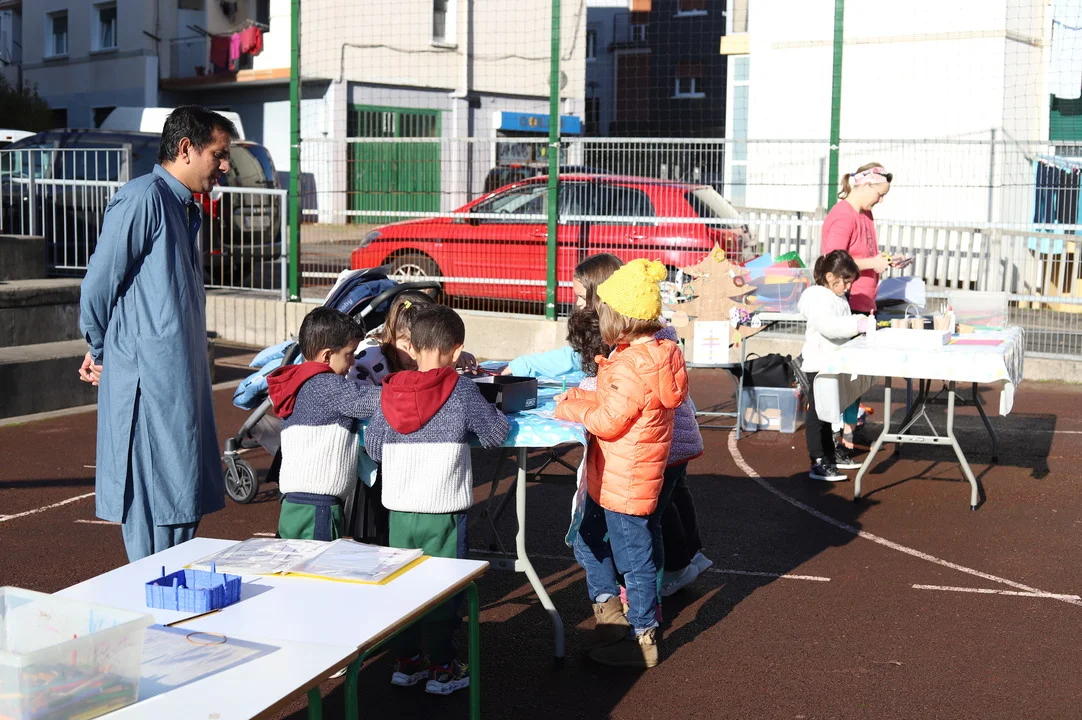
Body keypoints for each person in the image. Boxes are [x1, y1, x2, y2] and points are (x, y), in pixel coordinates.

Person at [78, 106, 238, 562]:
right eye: (219, 154)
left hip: (177, 381)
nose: (225, 166)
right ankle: (152, 599)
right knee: (156, 515)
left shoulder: (183, 207)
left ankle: (165, 594)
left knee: (183, 499)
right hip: (148, 386)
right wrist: (100, 350)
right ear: (186, 149)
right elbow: (99, 284)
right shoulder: (144, 198)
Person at [364, 304, 510, 696]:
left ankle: (407, 660)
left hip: (399, 508)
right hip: (443, 508)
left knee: (403, 585)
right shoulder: (460, 390)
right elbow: (495, 434)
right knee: (444, 590)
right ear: (456, 349)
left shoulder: (391, 389)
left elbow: (373, 446)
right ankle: (443, 665)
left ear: (411, 347)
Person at [555, 259, 689, 669]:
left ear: (622, 319)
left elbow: (609, 421)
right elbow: (617, 402)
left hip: (625, 480)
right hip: (622, 475)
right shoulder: (651, 355)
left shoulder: (631, 363)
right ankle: (615, 619)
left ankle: (641, 636)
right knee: (597, 539)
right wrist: (579, 398)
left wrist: (570, 408)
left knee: (633, 560)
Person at [347, 291, 477, 544]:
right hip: (376, 462)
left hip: (408, 455)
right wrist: (402, 395)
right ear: (393, 335)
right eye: (408, 346)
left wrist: (450, 357)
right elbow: (355, 399)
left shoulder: (415, 349)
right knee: (378, 542)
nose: (415, 354)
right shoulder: (368, 355)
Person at [266, 308, 381, 541]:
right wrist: (410, 388)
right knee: (318, 561)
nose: (353, 362)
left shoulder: (299, 382)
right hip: (319, 505)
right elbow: (367, 401)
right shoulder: (325, 385)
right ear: (327, 356)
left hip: (296, 502)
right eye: (349, 354)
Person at [820, 163, 906, 449]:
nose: (880, 200)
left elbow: (861, 255)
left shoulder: (865, 214)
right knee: (846, 375)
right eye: (879, 194)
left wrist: (886, 260)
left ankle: (848, 431)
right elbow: (832, 261)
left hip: (863, 301)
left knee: (855, 376)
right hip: (848, 302)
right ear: (866, 185)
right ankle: (840, 438)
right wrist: (872, 263)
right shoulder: (843, 216)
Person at [797, 250, 870, 481]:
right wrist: (857, 324)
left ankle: (829, 454)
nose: (848, 287)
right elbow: (829, 326)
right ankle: (818, 460)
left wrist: (856, 324)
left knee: (830, 412)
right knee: (819, 414)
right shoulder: (818, 297)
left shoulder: (836, 297)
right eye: (845, 282)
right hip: (819, 363)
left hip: (832, 362)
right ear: (830, 277)